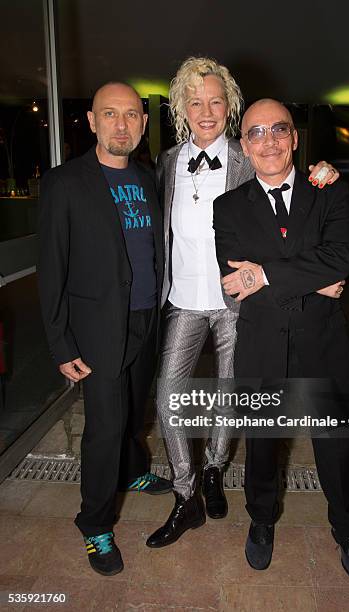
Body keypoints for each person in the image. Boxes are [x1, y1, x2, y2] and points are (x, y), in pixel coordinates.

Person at [146, 56, 341, 549]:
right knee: (169, 395)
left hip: (244, 304)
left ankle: (214, 470)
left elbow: (287, 186)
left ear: (229, 106)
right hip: (184, 299)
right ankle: (185, 491)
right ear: (181, 109)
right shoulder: (166, 163)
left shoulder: (249, 151)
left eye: (215, 100)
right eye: (196, 102)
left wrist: (324, 171)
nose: (206, 110)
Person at [213, 99, 349, 583]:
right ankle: (261, 522)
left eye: (279, 130)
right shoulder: (229, 206)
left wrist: (268, 274)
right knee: (262, 443)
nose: (269, 141)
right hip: (262, 344)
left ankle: (347, 528)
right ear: (245, 145)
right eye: (256, 133)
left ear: (295, 139)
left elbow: (339, 261)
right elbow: (235, 280)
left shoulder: (328, 191)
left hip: (323, 343)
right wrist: (309, 276)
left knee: (336, 445)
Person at [37, 82, 172, 576]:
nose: (121, 124)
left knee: (136, 410)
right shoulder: (65, 182)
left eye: (131, 115)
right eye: (109, 115)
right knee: (104, 428)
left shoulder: (148, 177)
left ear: (141, 123)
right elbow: (51, 268)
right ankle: (94, 523)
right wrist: (60, 341)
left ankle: (134, 471)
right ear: (92, 122)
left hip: (145, 319)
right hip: (96, 328)